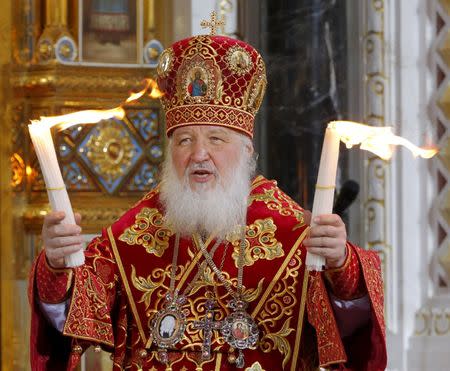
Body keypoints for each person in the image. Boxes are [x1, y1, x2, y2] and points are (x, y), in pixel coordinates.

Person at [29, 24, 387, 371]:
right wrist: (57, 264)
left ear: (246, 150)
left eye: (216, 139)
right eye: (184, 141)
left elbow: (350, 326)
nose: (199, 154)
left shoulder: (293, 233)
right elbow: (70, 318)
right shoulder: (133, 234)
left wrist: (341, 261)